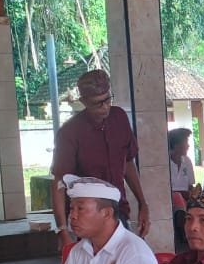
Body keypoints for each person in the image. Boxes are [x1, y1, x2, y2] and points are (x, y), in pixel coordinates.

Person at [51, 69, 151, 247]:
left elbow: (128, 162)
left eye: (108, 99)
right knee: (92, 262)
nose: (105, 107)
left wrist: (143, 204)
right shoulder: (70, 132)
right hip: (87, 217)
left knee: (125, 258)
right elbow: (59, 183)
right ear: (84, 102)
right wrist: (62, 231)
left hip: (118, 211)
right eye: (97, 103)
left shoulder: (119, 118)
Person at [168, 127, 195, 204]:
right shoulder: (164, 164)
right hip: (170, 204)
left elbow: (190, 186)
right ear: (176, 145)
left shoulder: (187, 161)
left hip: (186, 203)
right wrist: (180, 195)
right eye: (186, 142)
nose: (188, 146)